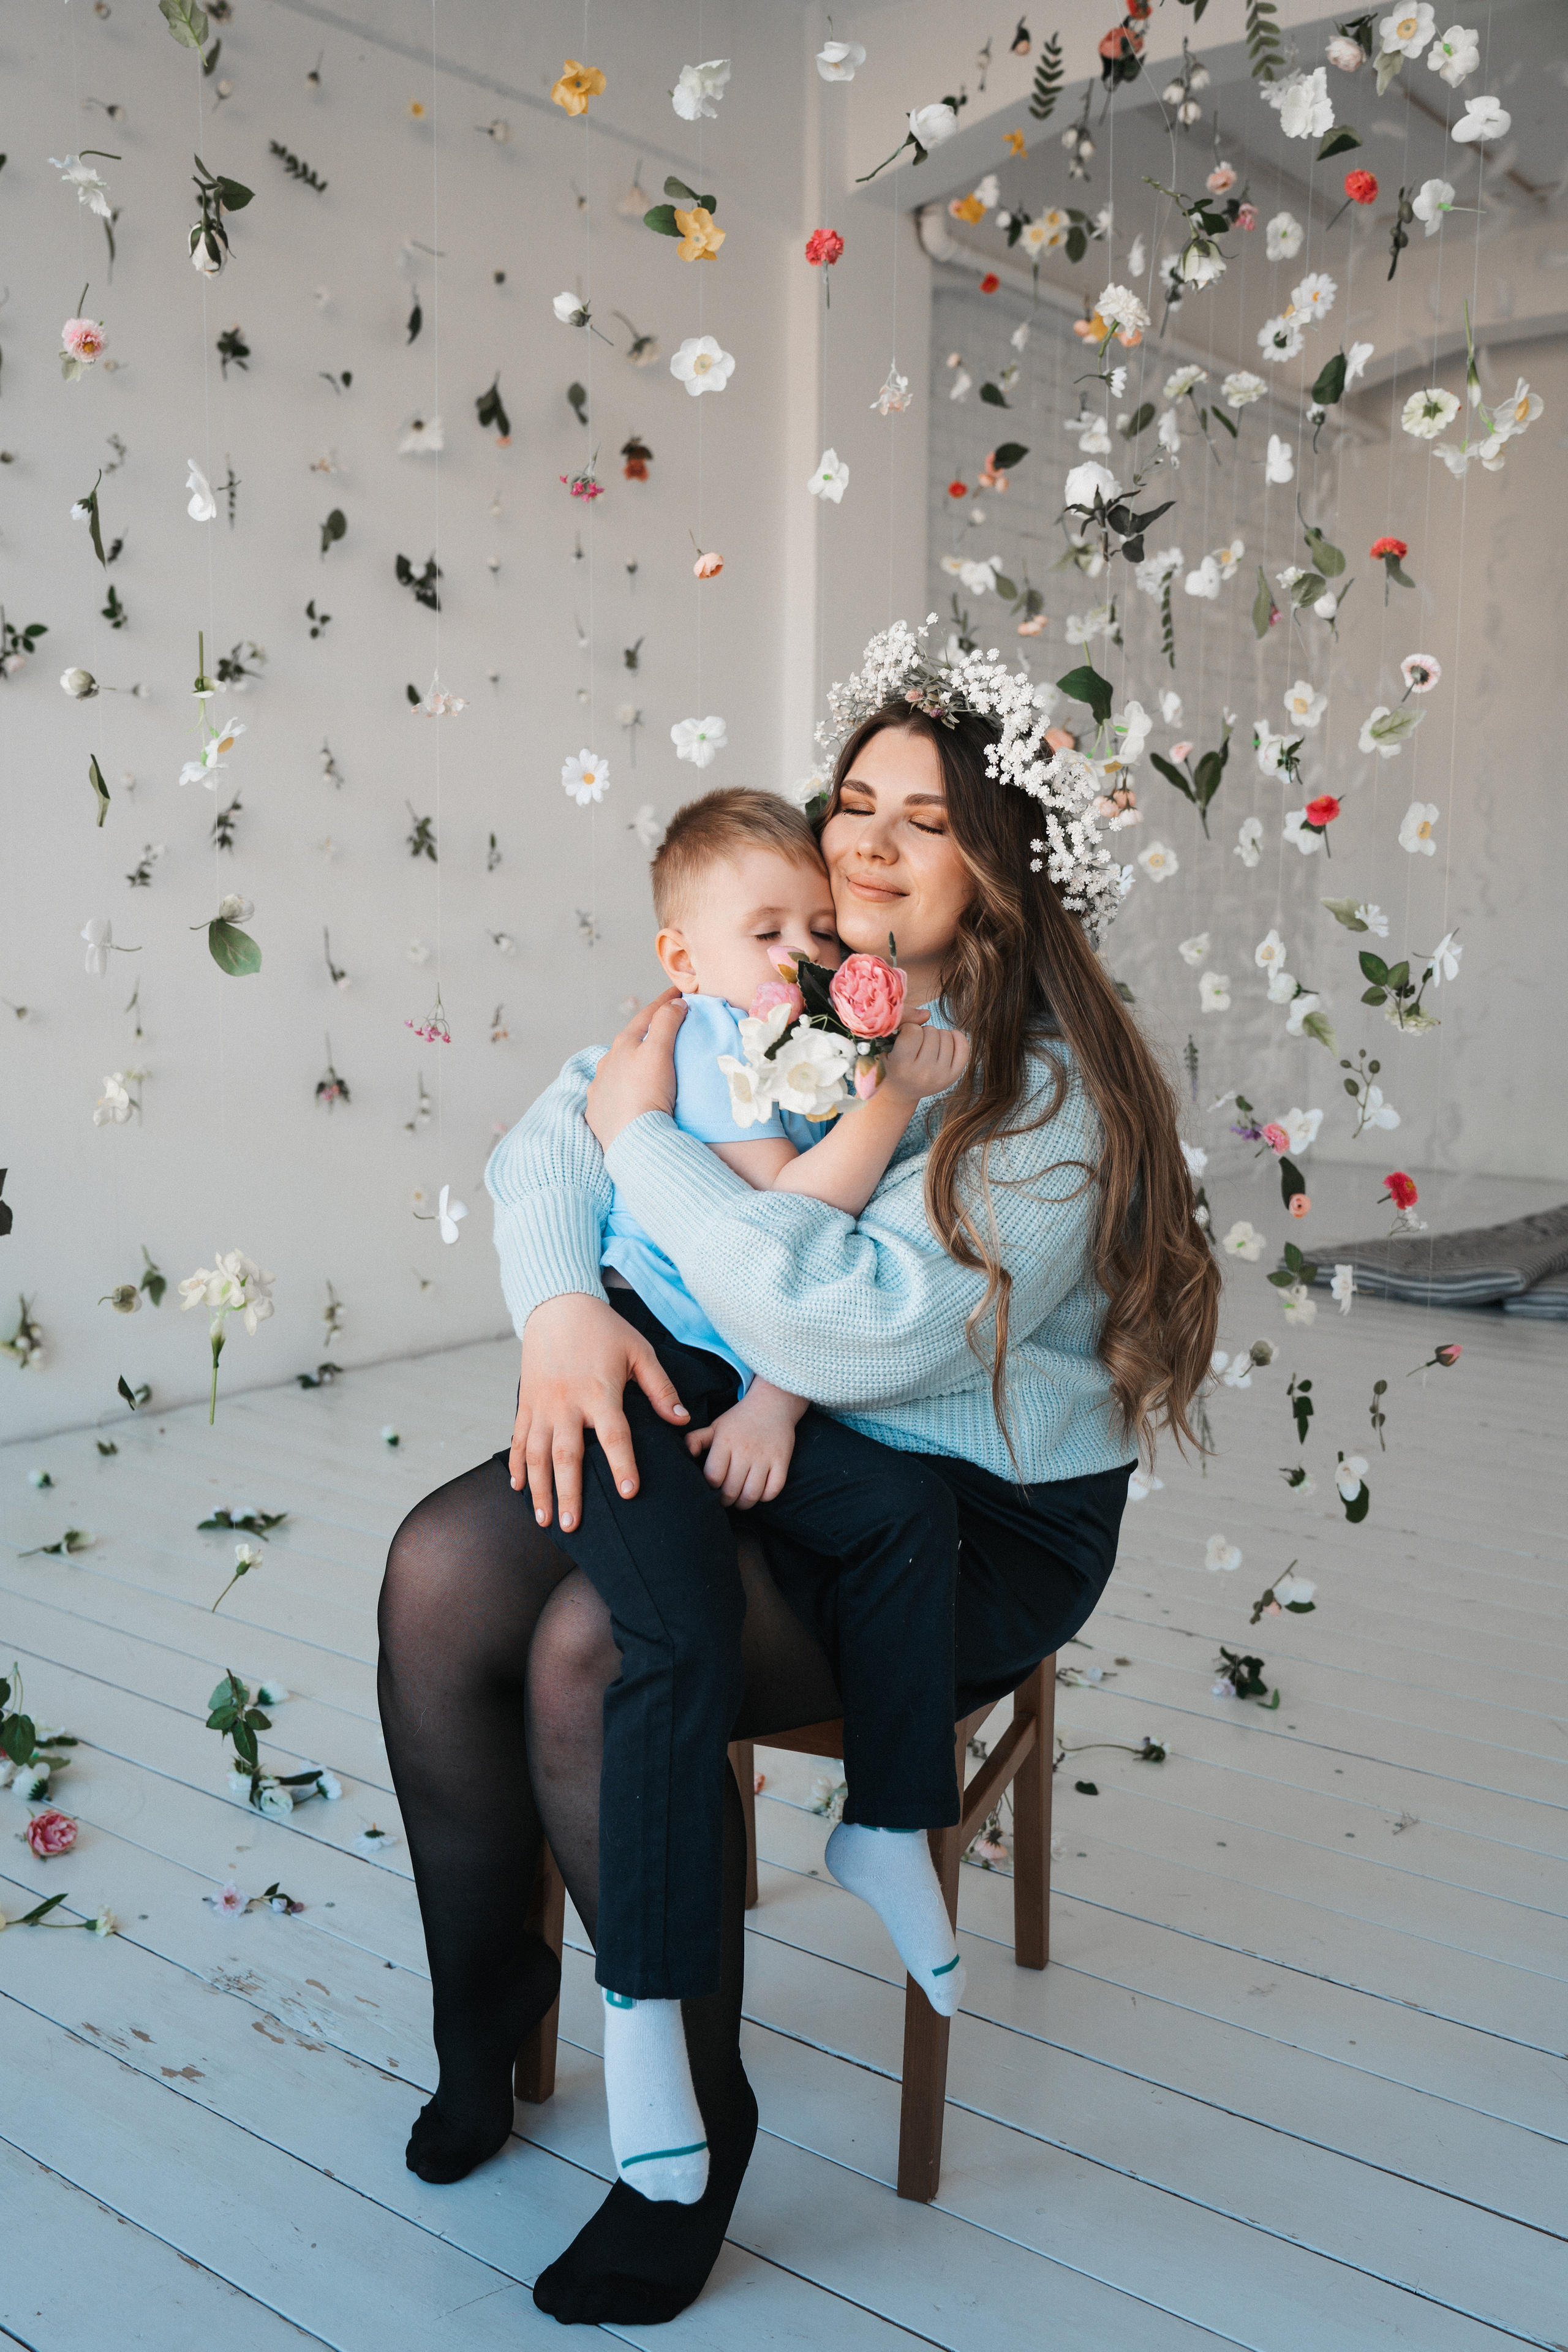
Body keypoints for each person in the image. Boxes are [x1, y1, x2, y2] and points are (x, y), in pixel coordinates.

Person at [377, 618, 1220, 2328]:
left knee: (589, 1651)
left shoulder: (1043, 1097)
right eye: (856, 799)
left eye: (928, 815)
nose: (870, 838)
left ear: (1004, 866)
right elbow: (563, 1113)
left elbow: (837, 1323)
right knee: (439, 1572)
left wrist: (641, 1155)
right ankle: (490, 2022)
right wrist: (557, 1306)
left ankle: (695, 2124)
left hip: (957, 1517)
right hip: (768, 1431)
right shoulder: (804, 975)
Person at [514, 783, 974, 2208]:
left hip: (745, 1373)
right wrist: (899, 1088)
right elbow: (792, 1223)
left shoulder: (798, 1030)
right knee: (674, 1632)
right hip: (642, 1378)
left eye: (814, 927)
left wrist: (781, 1394)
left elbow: (834, 1280)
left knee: (908, 1520)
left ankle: (887, 1820)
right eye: (764, 929)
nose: (797, 950)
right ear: (681, 958)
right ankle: (643, 2020)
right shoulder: (700, 1046)